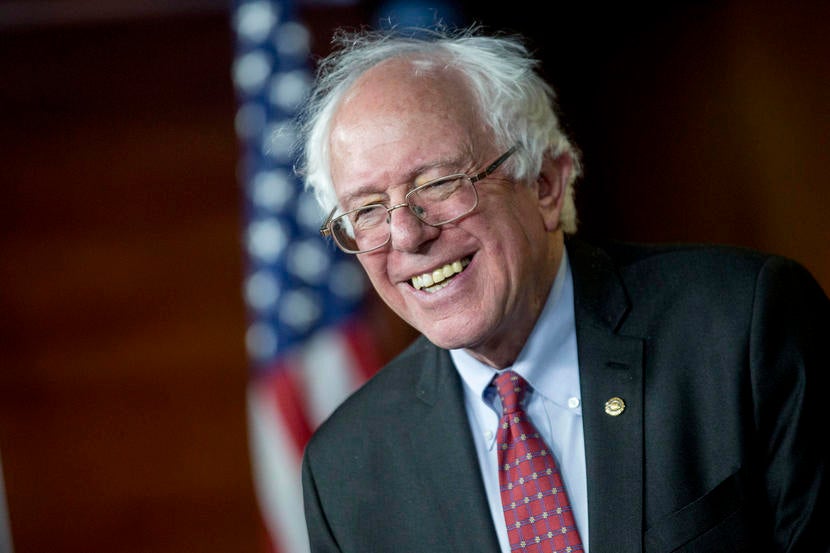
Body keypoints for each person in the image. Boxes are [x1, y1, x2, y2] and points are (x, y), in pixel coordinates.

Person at [295, 25, 829, 553]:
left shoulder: (744, 326)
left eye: (438, 184)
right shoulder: (346, 470)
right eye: (367, 210)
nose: (408, 235)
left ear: (545, 183)